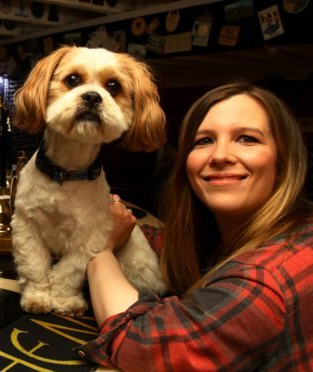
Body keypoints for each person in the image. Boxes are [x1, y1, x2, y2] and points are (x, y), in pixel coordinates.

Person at [78, 82, 313, 370]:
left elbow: (141, 346)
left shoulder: (263, 279)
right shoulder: (251, 229)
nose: (220, 156)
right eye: (203, 141)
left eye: (247, 139)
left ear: (284, 159)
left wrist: (99, 248)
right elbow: (174, 244)